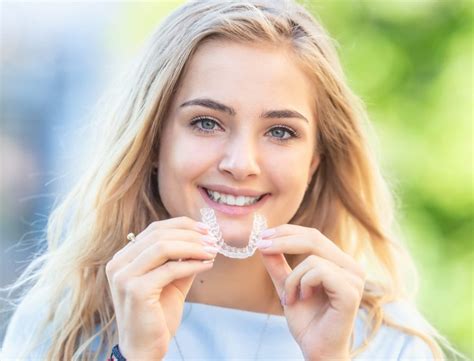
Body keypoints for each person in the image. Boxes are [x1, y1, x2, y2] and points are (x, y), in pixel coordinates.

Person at [1, 1, 463, 360]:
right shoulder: (59, 325)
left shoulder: (388, 342)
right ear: (153, 142)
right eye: (206, 123)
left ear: (315, 161)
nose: (241, 163)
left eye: (280, 131)